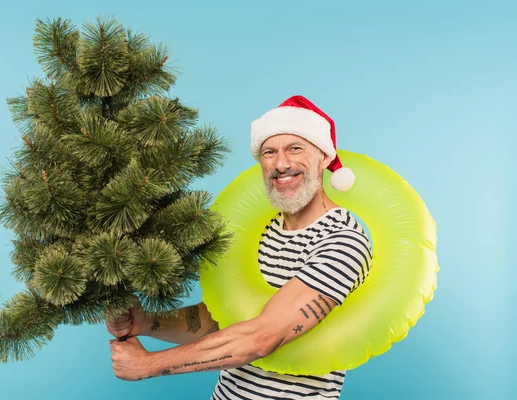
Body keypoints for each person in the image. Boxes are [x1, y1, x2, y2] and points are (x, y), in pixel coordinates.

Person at [107, 95, 373, 399]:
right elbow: (222, 322)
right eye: (269, 152)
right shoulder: (265, 232)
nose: (281, 164)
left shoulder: (342, 240)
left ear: (324, 157)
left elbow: (261, 337)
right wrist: (146, 322)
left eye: (295, 148)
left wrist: (150, 365)